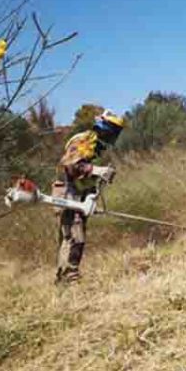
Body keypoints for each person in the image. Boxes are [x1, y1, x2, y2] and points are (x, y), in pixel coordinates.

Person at [53, 109, 124, 283]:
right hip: (67, 190)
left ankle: (66, 276)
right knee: (73, 234)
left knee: (76, 234)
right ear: (104, 127)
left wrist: (96, 186)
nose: (113, 135)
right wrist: (97, 170)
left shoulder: (97, 147)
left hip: (80, 193)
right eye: (112, 130)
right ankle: (69, 277)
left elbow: (86, 175)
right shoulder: (84, 140)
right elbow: (71, 165)